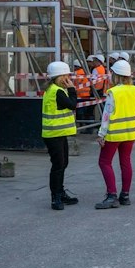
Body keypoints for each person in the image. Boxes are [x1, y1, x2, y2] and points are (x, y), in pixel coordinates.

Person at [95, 57, 135, 208]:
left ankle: (112, 195)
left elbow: (107, 115)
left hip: (114, 134)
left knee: (104, 162)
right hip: (130, 132)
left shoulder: (113, 92)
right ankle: (125, 195)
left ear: (115, 75)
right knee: (125, 162)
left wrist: (101, 134)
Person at [40, 60, 81, 210]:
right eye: (66, 76)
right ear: (59, 77)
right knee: (58, 165)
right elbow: (72, 104)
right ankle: (55, 197)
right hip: (53, 133)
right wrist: (72, 89)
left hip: (58, 132)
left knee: (63, 163)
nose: (68, 79)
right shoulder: (57, 91)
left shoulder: (54, 89)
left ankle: (60, 192)